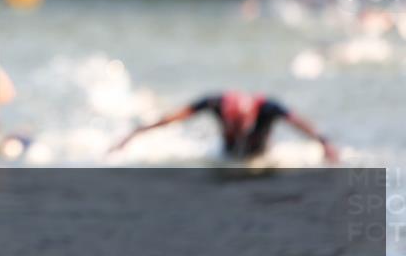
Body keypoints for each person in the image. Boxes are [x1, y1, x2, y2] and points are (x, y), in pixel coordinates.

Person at [109, 91, 339, 163]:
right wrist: (135, 134)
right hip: (228, 157)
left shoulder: (268, 107)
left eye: (240, 126)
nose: (237, 130)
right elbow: (173, 118)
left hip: (259, 157)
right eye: (233, 125)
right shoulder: (215, 103)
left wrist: (324, 143)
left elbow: (300, 124)